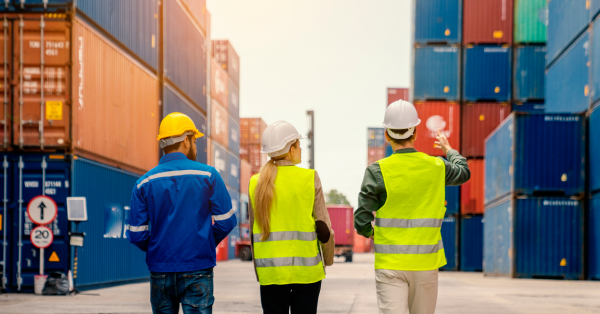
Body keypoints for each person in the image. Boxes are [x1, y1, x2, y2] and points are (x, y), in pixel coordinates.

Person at [354, 100, 470, 314]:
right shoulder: (436, 166)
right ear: (415, 133)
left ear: (387, 134)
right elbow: (463, 171)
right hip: (425, 265)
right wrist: (448, 149)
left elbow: (361, 219)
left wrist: (372, 233)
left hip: (390, 264)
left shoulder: (377, 170)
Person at [128, 112, 237, 314]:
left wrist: (158, 249)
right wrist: (203, 242)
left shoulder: (144, 183)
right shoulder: (208, 175)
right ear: (186, 141)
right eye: (195, 140)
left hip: (160, 269)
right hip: (197, 268)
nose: (196, 146)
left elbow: (136, 234)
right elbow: (227, 222)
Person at [248, 121, 335, 314]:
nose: (301, 149)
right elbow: (323, 228)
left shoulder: (256, 182)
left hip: (271, 273)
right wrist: (328, 260)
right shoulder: (309, 177)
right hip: (306, 273)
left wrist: (260, 272)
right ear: (291, 149)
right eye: (298, 144)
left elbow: (254, 232)